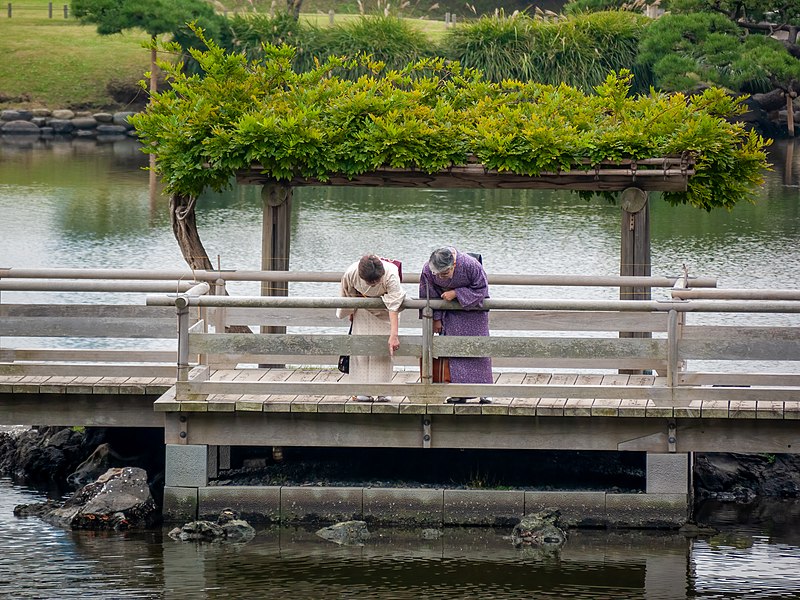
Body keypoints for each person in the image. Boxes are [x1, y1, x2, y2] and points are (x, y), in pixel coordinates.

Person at [419, 247, 493, 404]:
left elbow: (482, 290)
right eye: (437, 274)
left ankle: (485, 390)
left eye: (444, 273)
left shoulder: (470, 265)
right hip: (449, 314)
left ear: (453, 264)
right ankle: (458, 392)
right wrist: (436, 319)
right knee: (453, 352)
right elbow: (427, 294)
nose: (440, 277)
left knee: (478, 349)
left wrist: (456, 293)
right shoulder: (427, 269)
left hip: (473, 314)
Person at [338, 254, 405, 402]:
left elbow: (394, 304)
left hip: (386, 310)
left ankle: (383, 390)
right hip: (362, 308)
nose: (374, 283)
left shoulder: (391, 273)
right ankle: (361, 390)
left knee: (384, 349)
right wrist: (351, 311)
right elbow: (348, 293)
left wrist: (394, 335)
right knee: (360, 347)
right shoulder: (351, 272)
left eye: (377, 279)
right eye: (371, 281)